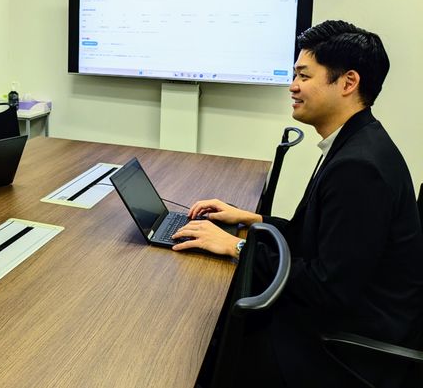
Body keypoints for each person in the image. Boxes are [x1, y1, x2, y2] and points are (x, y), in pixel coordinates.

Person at [172, 20, 423, 387]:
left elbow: (327, 287)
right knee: (220, 316)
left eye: (304, 76)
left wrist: (236, 246)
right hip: (344, 318)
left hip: (345, 348)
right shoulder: (356, 141)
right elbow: (317, 239)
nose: (292, 86)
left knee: (209, 339)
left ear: (348, 83)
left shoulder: (359, 168)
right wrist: (253, 218)